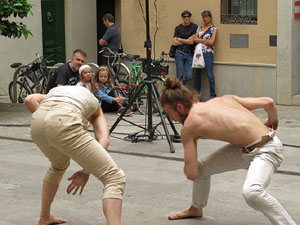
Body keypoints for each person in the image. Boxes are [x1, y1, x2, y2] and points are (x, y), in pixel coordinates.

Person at [160, 76, 296, 225]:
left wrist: (191, 141)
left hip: (267, 150)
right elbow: (268, 103)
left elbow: (191, 174)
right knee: (202, 168)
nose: (172, 119)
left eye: (169, 114)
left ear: (180, 107)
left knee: (252, 192)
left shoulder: (189, 126)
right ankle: (196, 208)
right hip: (248, 146)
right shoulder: (223, 99)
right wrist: (272, 121)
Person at [24, 86, 126, 225]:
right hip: (64, 118)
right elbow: (104, 139)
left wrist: (50, 124)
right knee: (114, 177)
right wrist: (86, 171)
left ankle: (44, 217)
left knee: (58, 166)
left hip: (38, 121)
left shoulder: (58, 92)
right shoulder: (95, 106)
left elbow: (29, 99)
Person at [192, 10, 217, 99]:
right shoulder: (199, 28)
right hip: (199, 53)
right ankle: (196, 96)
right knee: (197, 75)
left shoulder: (213, 28)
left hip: (208, 53)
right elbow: (194, 40)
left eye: (206, 17)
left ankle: (212, 95)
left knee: (210, 74)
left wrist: (201, 40)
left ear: (210, 18)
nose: (205, 19)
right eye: (203, 17)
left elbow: (212, 42)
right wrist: (205, 41)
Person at [172, 10, 198, 85]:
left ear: (190, 17)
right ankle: (178, 94)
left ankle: (177, 87)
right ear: (182, 18)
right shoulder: (178, 28)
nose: (186, 18)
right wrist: (187, 40)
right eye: (184, 16)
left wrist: (180, 39)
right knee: (179, 75)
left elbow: (192, 42)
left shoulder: (194, 27)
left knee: (189, 75)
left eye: (188, 16)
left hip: (190, 54)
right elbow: (174, 42)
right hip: (179, 53)